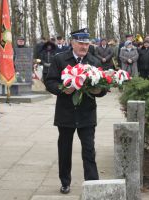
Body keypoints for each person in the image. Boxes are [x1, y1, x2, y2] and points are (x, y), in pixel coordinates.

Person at [44, 28, 106, 194]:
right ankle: (65, 182)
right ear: (72, 43)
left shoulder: (94, 62)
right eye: (80, 43)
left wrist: (98, 91)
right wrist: (62, 89)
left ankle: (93, 184)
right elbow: (49, 81)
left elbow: (103, 86)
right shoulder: (60, 59)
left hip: (87, 113)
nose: (84, 47)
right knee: (64, 149)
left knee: (89, 149)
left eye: (86, 44)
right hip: (66, 113)